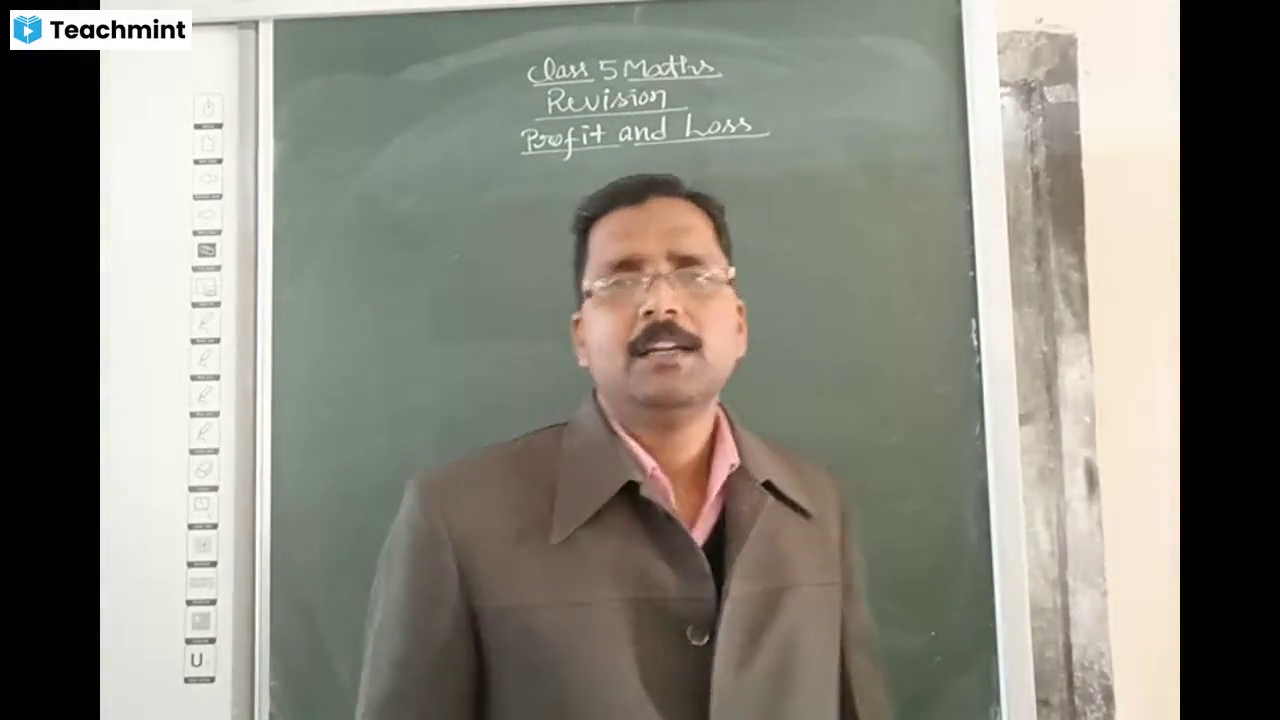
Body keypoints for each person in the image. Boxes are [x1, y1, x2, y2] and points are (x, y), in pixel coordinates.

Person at [355, 173, 892, 720]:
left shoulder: (817, 506)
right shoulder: (456, 517)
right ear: (580, 337)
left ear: (739, 325)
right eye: (620, 280)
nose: (661, 303)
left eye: (694, 274)